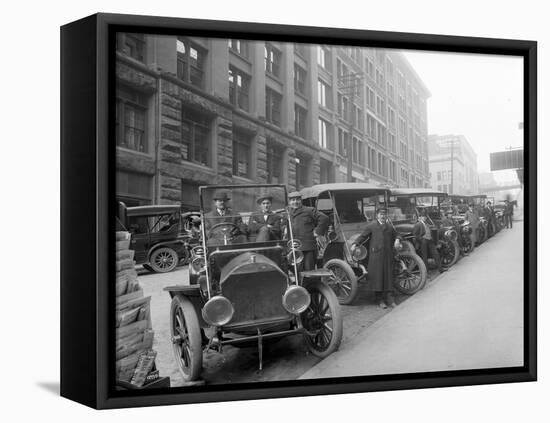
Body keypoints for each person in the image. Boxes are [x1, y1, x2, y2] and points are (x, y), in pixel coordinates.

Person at [351, 208, 401, 309]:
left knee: (388, 277)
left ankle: (390, 300)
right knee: (378, 278)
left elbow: (398, 234)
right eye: (381, 214)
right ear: (377, 215)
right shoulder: (371, 226)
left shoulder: (389, 227)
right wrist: (355, 244)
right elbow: (362, 236)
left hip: (387, 256)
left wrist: (397, 239)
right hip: (376, 256)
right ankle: (380, 300)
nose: (383, 216)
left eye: (384, 214)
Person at [287, 191, 328, 271]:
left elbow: (324, 218)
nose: (295, 202)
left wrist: (318, 231)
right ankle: (298, 284)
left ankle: (309, 284)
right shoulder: (288, 213)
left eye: (297, 199)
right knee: (296, 270)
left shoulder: (309, 210)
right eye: (293, 200)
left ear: (301, 200)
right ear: (289, 202)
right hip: (294, 247)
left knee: (309, 271)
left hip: (308, 247)